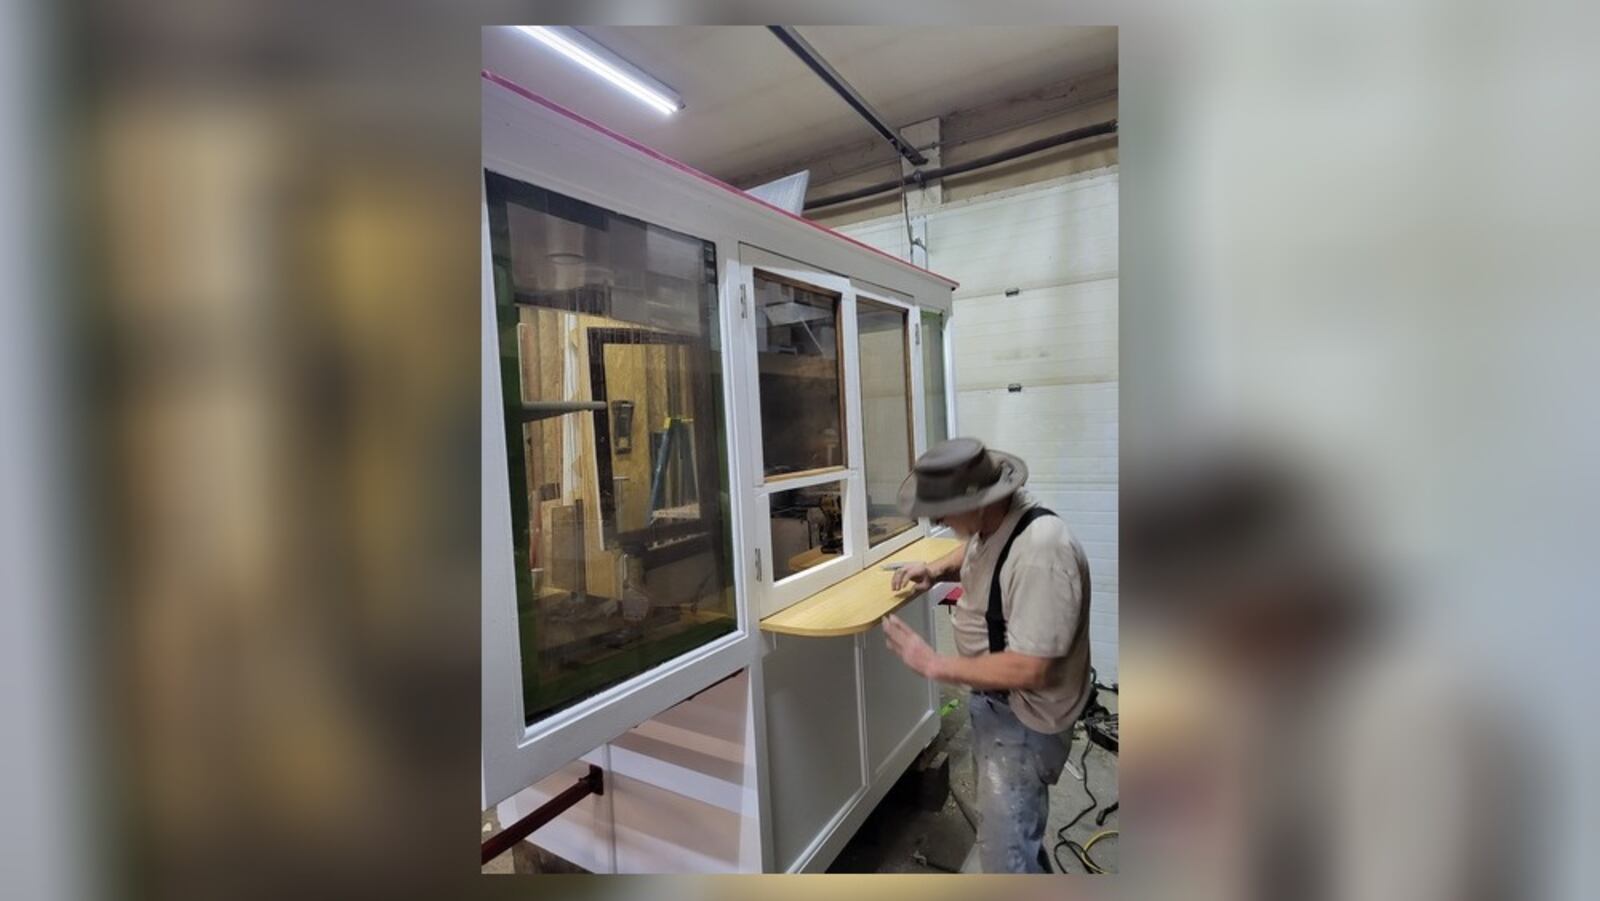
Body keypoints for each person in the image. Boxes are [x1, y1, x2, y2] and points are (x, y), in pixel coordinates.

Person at [880, 437, 1093, 873]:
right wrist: (936, 569)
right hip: (998, 708)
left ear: (979, 501)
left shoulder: (1042, 553)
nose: (937, 518)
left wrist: (932, 663)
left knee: (1005, 855)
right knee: (1015, 831)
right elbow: (981, 553)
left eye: (942, 510)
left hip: (1024, 722)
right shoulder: (996, 524)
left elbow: (1032, 667)